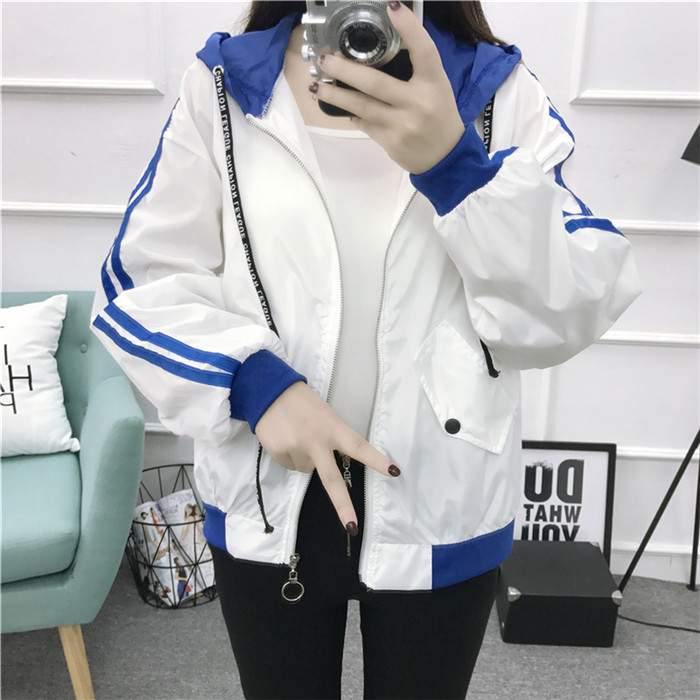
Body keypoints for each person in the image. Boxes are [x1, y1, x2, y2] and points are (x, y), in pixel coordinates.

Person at [92, 1, 641, 697]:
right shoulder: (225, 88)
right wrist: (252, 382)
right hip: (270, 481)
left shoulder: (500, 94)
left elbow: (566, 309)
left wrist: (456, 169)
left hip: (442, 490)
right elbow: (141, 282)